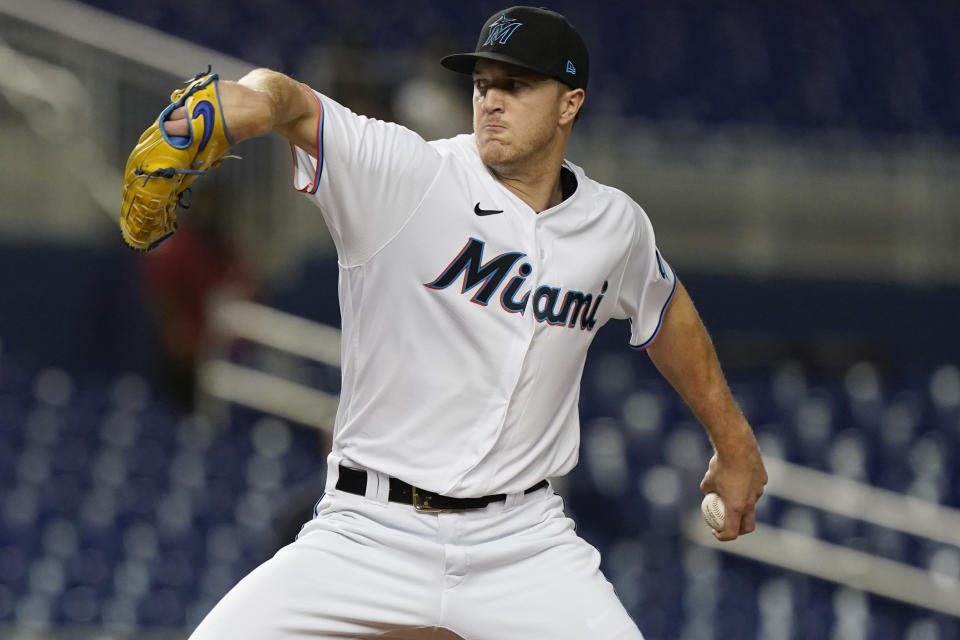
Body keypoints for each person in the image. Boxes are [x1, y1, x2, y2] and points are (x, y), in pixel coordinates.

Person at [164, 6, 767, 639]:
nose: (492, 102)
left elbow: (665, 308)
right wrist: (257, 101)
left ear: (570, 104)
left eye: (516, 85)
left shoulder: (613, 225)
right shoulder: (410, 174)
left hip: (522, 544)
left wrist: (734, 442)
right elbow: (294, 104)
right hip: (370, 531)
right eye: (482, 84)